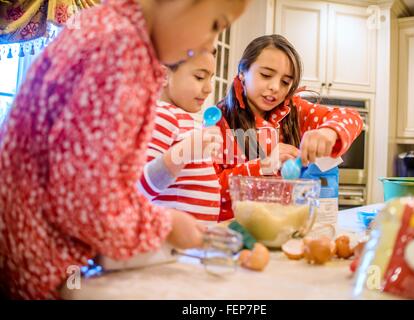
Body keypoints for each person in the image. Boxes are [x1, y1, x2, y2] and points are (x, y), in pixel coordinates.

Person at [0, 0, 249, 299]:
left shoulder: (109, 29)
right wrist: (165, 225)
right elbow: (89, 204)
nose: (210, 43)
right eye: (214, 25)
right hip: (39, 265)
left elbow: (97, 180)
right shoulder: (119, 52)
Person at [215, 34, 363, 221]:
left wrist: (329, 132)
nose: (275, 87)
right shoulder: (219, 121)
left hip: (287, 228)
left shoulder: (295, 110)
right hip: (236, 231)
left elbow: (351, 117)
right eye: (266, 75)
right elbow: (210, 189)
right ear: (242, 72)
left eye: (285, 82)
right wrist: (264, 165)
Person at [138, 49, 223, 223]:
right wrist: (185, 151)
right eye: (199, 77)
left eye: (211, 78)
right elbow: (140, 188)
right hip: (168, 244)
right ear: (163, 76)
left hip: (188, 244)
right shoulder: (162, 115)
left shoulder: (182, 118)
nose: (209, 89)